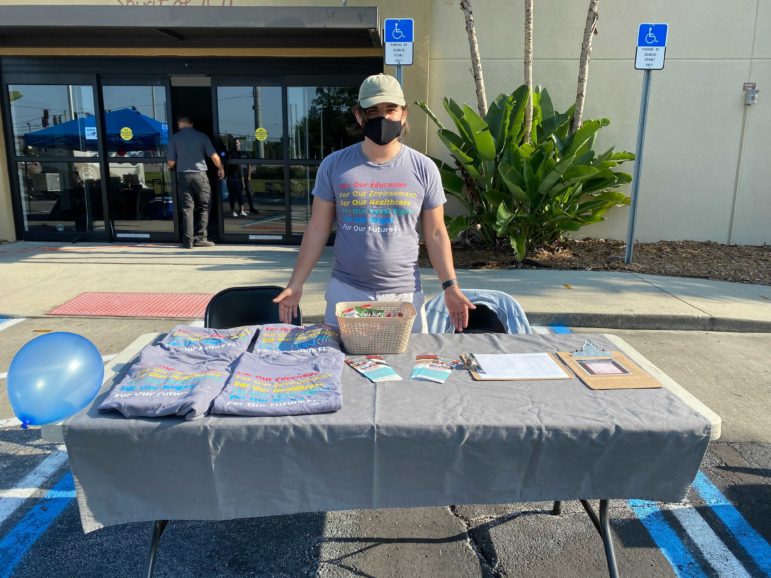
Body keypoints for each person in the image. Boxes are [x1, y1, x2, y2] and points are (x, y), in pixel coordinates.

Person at [274, 73, 475, 332]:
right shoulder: (334, 165)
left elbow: (436, 232)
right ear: (359, 116)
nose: (382, 117)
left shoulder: (423, 168)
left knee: (406, 368)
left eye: (390, 109)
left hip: (404, 295)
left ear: (404, 114)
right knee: (342, 367)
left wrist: (450, 286)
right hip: (346, 292)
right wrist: (296, 283)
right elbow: (317, 229)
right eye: (373, 111)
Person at [167, 115, 224, 248]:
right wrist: (220, 168)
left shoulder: (174, 138)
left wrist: (170, 168)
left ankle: (188, 241)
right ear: (191, 124)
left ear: (180, 123)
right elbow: (214, 157)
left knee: (187, 208)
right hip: (200, 175)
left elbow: (171, 162)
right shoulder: (202, 137)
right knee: (204, 205)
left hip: (183, 176)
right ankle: (200, 238)